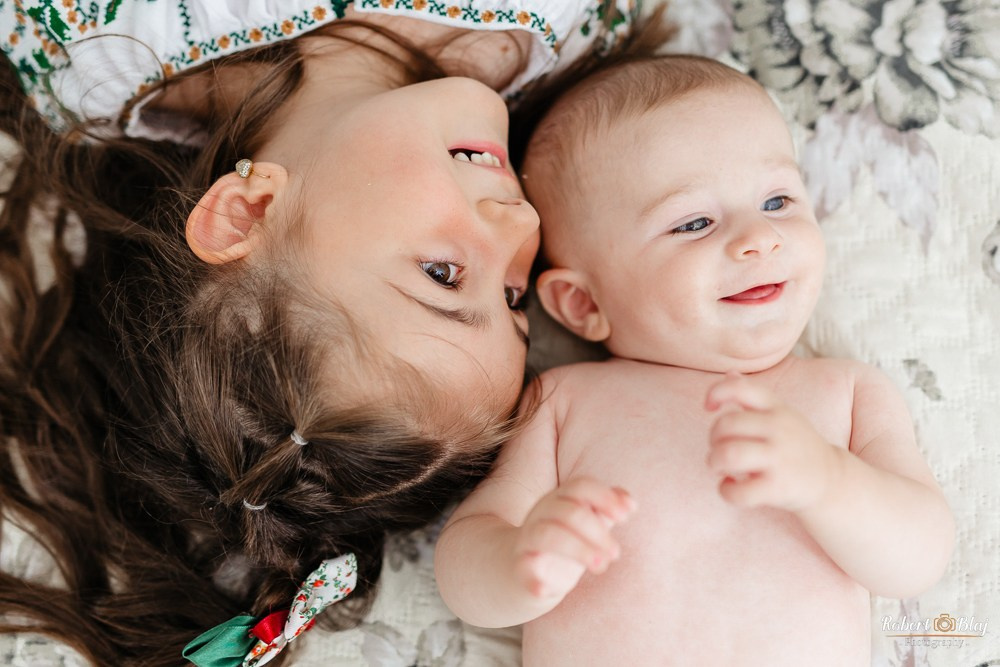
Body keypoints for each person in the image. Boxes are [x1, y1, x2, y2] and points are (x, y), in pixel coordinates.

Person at [0, 2, 659, 665]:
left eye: (443, 274)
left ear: (247, 211)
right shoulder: (558, 26)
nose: (519, 223)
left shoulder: (96, 48)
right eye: (513, 296)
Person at [434, 54, 956, 665]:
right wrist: (517, 560)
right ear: (581, 303)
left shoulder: (847, 393)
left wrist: (828, 480)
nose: (758, 238)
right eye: (695, 222)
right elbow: (465, 564)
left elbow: (917, 557)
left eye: (778, 200)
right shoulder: (563, 400)